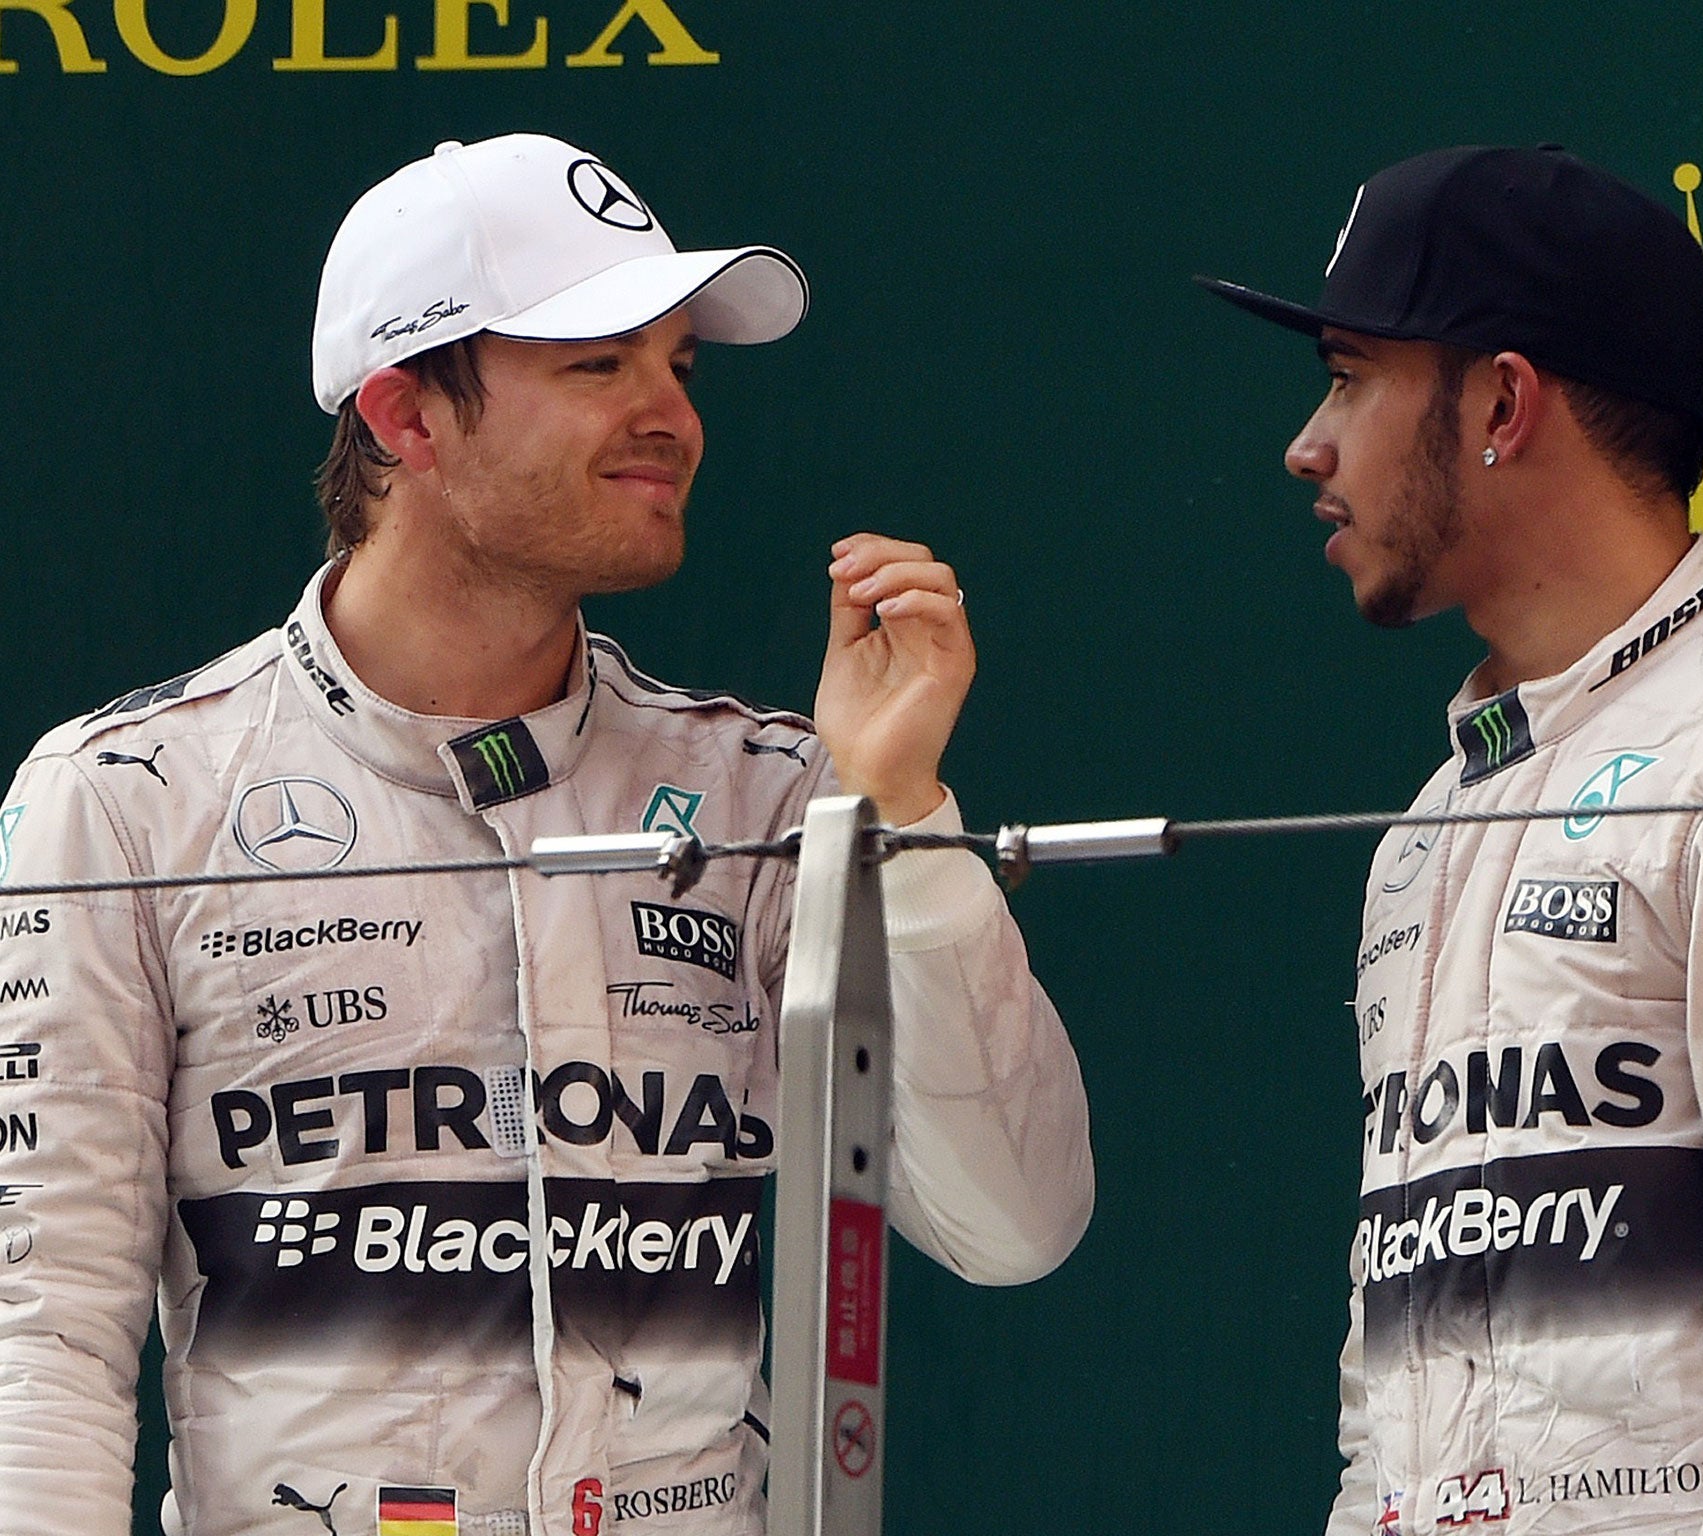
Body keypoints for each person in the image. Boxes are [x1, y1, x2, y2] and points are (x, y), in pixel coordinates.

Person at [0, 133, 1093, 1536]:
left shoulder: (765, 792)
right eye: (599, 366)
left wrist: (898, 819)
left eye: (678, 367)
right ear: (404, 416)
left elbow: (1015, 1224)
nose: (671, 415)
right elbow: (42, 1336)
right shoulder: (127, 794)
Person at [1199, 145, 1703, 1536]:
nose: (1307, 444)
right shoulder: (1432, 821)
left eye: (1349, 373)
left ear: (1503, 402)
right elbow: (1394, 1364)